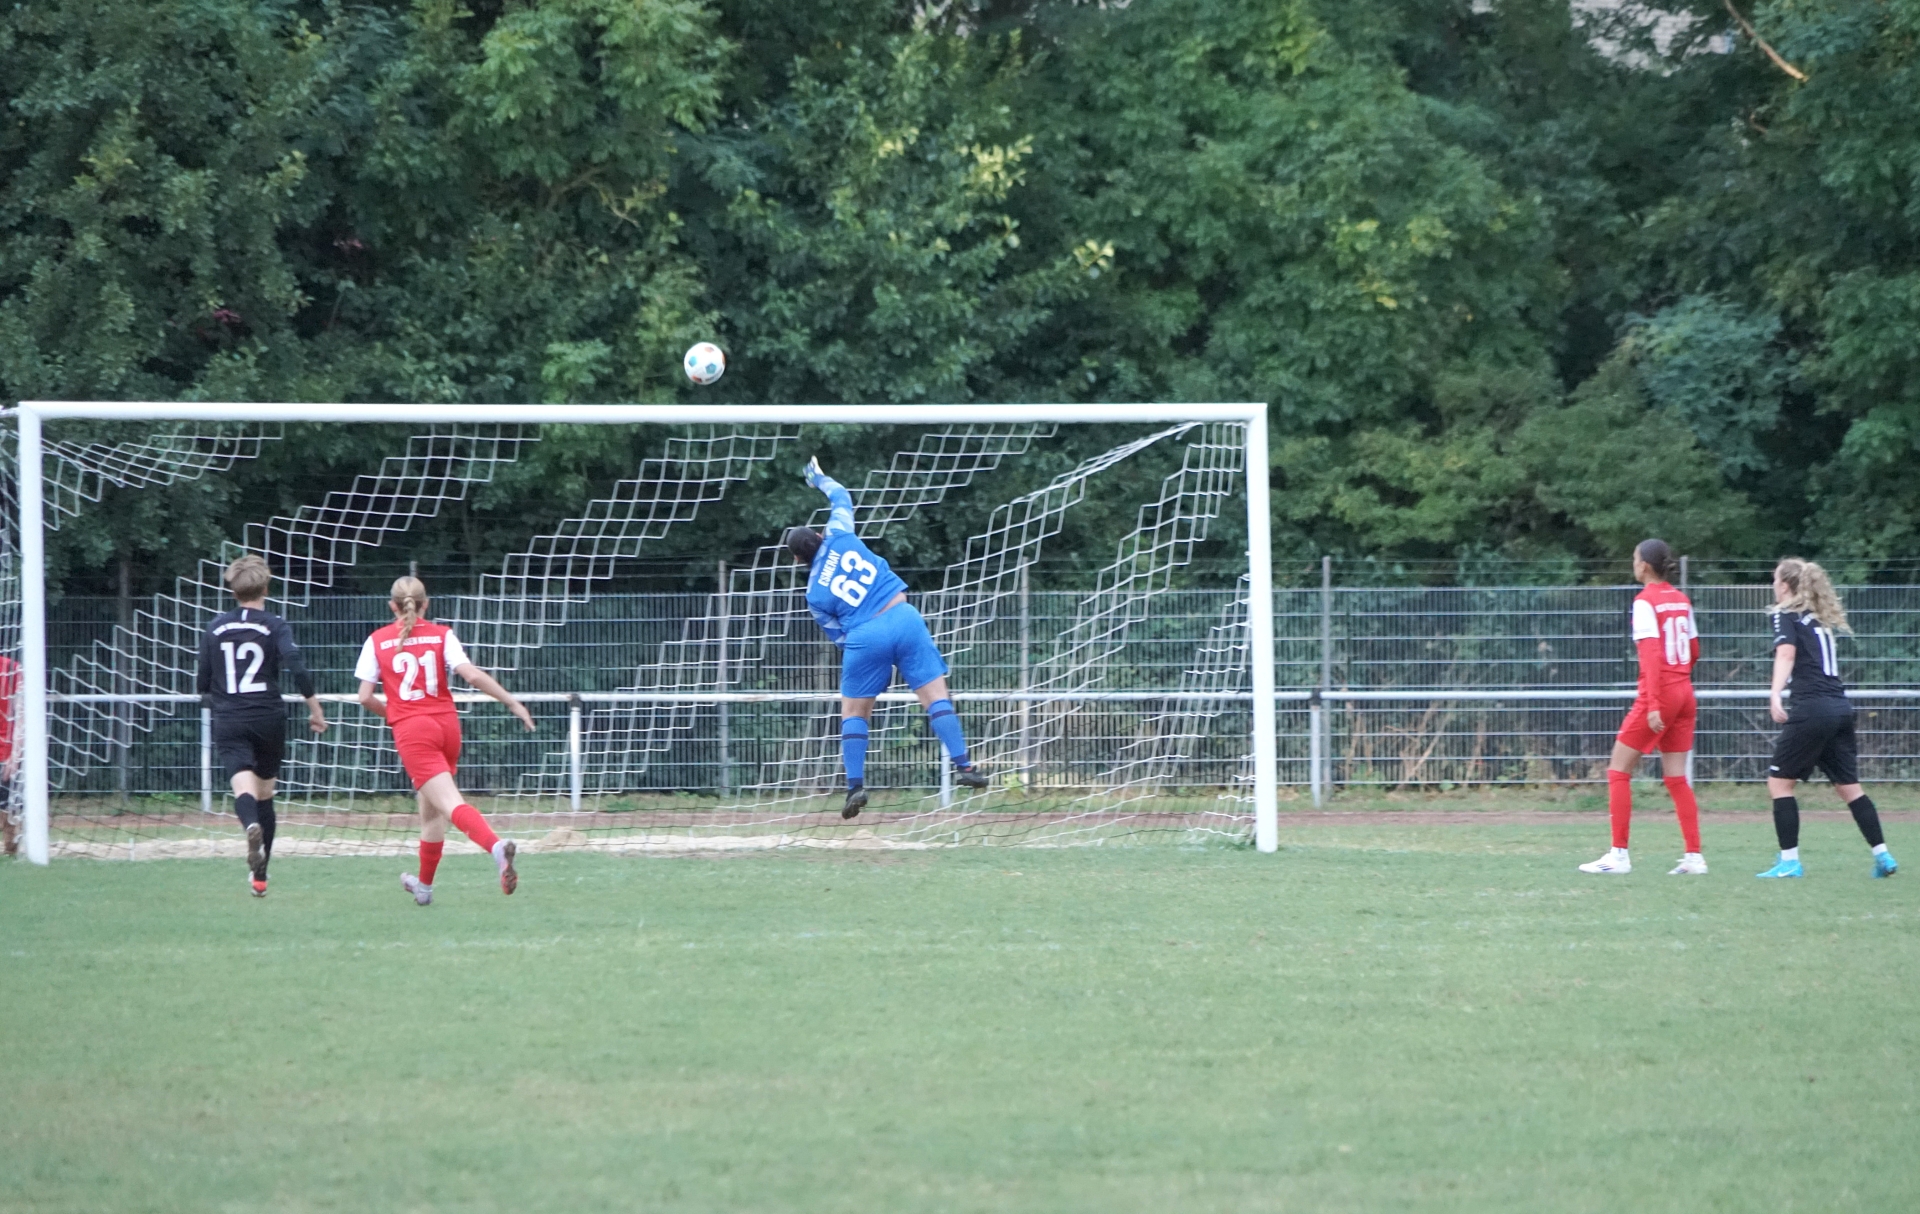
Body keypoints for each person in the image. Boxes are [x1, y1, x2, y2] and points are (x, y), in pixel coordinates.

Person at [787, 457, 988, 819]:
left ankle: (855, 787)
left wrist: (870, 652)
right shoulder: (839, 534)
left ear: (800, 560)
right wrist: (817, 478)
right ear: (818, 536)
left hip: (864, 637)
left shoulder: (813, 595)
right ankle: (965, 767)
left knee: (854, 712)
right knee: (936, 698)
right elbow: (841, 496)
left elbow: (838, 637)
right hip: (903, 616)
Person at [356, 575, 534, 905]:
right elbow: (472, 675)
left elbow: (365, 696)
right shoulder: (442, 635)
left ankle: (496, 848)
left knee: (450, 804)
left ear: (392, 606)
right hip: (447, 726)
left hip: (414, 732)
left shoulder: (376, 641)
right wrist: (512, 702)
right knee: (431, 813)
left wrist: (395, 715)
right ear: (426, 604)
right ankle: (424, 888)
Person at [196, 555, 328, 896]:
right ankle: (260, 877)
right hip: (268, 717)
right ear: (266, 589)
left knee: (244, 790)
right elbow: (296, 666)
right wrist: (315, 709)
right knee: (266, 794)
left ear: (233, 591)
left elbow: (202, 681)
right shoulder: (274, 624)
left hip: (230, 717)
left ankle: (249, 824)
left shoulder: (215, 628)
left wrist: (219, 707)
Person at [1756, 559, 1896, 879]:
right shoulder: (1818, 618)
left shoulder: (1785, 614)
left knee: (1779, 784)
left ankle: (1789, 862)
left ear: (1785, 586)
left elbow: (1786, 653)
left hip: (1812, 709)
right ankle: (1883, 855)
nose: (1773, 585)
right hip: (1839, 708)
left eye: (1775, 580)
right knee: (1850, 789)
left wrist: (1775, 693)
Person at [1580, 539, 1707, 875]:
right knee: (1677, 778)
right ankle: (1694, 857)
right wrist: (1678, 680)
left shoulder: (1644, 602)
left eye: (1634, 558)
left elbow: (1650, 656)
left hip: (1661, 693)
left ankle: (1618, 855)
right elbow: (1694, 651)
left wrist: (1653, 703)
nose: (1633, 564)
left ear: (1645, 566)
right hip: (1685, 691)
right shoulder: (1681, 600)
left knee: (1618, 770)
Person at [0, 653, 18, 857]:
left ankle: (10, 845)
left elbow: (22, 715)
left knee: (6, 802)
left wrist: (15, 754)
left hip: (6, 748)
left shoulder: (11, 669)